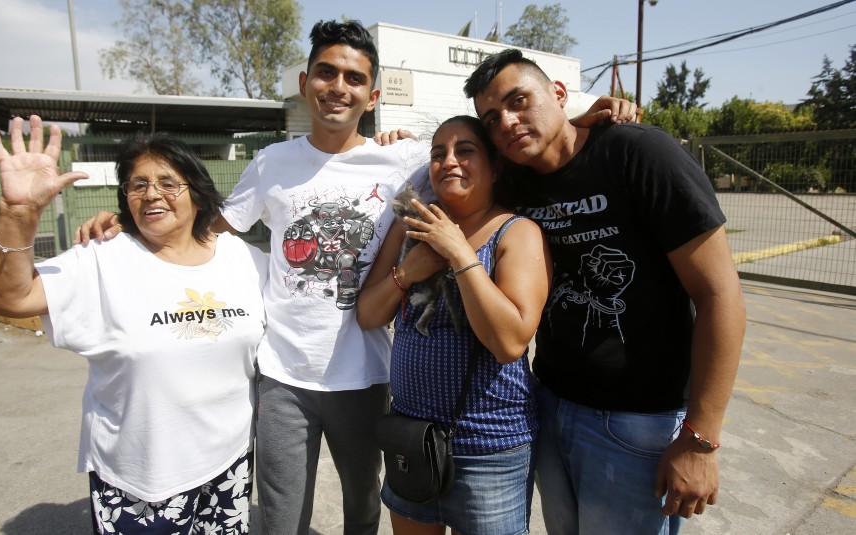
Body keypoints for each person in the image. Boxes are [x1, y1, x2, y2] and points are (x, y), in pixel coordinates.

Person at [75, 20, 640, 534]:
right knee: (281, 515)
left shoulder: (408, 161)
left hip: (366, 376)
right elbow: (204, 228)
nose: (338, 87)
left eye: (354, 78)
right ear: (306, 84)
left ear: (373, 97)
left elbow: (493, 153)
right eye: (326, 73)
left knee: (363, 510)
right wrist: (127, 223)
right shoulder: (272, 162)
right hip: (282, 373)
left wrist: (579, 120)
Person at [463, 49, 746, 534]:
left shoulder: (639, 153)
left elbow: (720, 295)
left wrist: (700, 440)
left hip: (639, 423)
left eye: (518, 101)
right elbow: (453, 169)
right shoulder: (517, 179)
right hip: (549, 405)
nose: (506, 122)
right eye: (492, 118)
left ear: (558, 92)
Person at [0, 116, 268, 534]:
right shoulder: (102, 259)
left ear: (198, 194)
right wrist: (18, 213)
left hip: (230, 465)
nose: (152, 194)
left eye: (168, 183)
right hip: (141, 479)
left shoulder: (243, 259)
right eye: (138, 185)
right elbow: (8, 298)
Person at [357, 115, 550, 534]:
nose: (449, 161)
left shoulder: (516, 232)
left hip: (488, 446)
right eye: (438, 153)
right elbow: (368, 314)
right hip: (411, 438)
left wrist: (459, 252)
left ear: (495, 166)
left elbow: (509, 343)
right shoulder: (412, 226)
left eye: (465, 151)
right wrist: (407, 272)